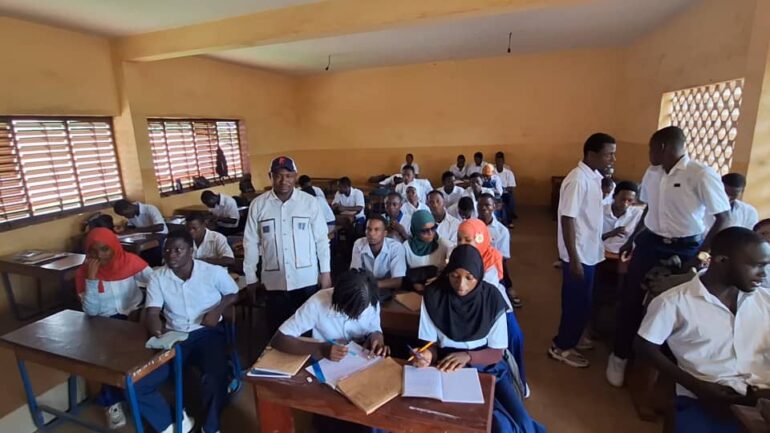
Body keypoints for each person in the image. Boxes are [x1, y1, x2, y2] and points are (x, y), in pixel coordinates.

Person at [607, 126, 731, 386]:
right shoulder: (652, 173)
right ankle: (620, 356)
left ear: (662, 147)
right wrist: (633, 239)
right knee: (631, 299)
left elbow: (723, 218)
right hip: (650, 243)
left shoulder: (700, 174)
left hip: (685, 248)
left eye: (651, 149)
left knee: (674, 305)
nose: (649, 154)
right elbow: (648, 209)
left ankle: (662, 368)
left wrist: (699, 255)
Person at [636, 227, 770, 433]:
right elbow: (645, 346)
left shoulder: (765, 300)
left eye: (765, 266)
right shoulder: (674, 302)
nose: (763, 274)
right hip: (706, 396)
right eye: (756, 266)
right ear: (722, 260)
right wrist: (694, 384)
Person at [415, 245, 545, 433]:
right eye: (455, 276)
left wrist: (468, 356)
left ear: (479, 275)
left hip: (488, 367)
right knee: (488, 422)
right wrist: (427, 355)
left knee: (520, 421)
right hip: (447, 368)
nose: (461, 285)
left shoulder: (492, 299)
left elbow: (496, 352)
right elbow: (431, 345)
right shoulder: (434, 296)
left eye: (469, 278)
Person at [139, 230, 239, 433]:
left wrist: (217, 310)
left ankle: (210, 428)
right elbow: (153, 311)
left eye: (178, 250)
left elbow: (233, 293)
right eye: (167, 250)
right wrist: (156, 330)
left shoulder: (212, 272)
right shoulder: (158, 277)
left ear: (191, 251)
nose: (172, 255)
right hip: (175, 336)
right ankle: (174, 424)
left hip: (207, 333)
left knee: (214, 376)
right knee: (140, 383)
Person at [273, 268, 390, 433]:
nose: (356, 318)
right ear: (337, 300)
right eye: (350, 312)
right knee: (337, 413)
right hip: (328, 366)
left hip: (361, 362)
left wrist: (377, 338)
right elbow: (279, 339)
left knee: (373, 407)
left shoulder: (371, 300)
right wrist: (321, 348)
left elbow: (374, 328)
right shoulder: (317, 303)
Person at [549, 132, 616, 368]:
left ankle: (574, 337)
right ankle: (561, 346)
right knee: (576, 302)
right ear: (591, 154)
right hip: (578, 254)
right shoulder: (578, 180)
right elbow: (568, 219)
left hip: (588, 251)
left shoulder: (594, 177)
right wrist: (574, 259)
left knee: (583, 301)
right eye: (608, 154)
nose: (612, 159)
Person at [243, 156, 332, 335]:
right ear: (270, 176)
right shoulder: (258, 205)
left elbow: (322, 240)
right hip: (274, 283)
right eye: (278, 176)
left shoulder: (309, 203)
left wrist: (325, 273)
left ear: (295, 176)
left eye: (288, 176)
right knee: (278, 334)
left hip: (306, 280)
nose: (283, 181)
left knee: (308, 332)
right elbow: (250, 243)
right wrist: (250, 278)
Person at [76, 228, 153, 429]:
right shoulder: (84, 273)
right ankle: (112, 402)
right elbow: (91, 311)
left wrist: (149, 309)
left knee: (137, 352)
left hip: (135, 317)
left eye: (105, 249)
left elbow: (156, 282)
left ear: (115, 248)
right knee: (110, 357)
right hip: (103, 322)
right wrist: (92, 279)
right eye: (93, 251)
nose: (99, 256)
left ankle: (137, 391)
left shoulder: (131, 262)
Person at [456, 219, 528, 395]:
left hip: (494, 305)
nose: (462, 244)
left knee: (515, 336)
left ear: (480, 239)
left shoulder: (492, 257)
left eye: (468, 240)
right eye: (459, 239)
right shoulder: (457, 254)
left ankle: (519, 381)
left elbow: (484, 290)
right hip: (467, 304)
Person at [477, 193, 517, 307]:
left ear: (494, 207)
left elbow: (502, 257)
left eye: (487, 205)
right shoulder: (472, 226)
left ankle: (507, 287)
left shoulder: (502, 231)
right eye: (480, 205)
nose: (483, 208)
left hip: (493, 266)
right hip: (474, 263)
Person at [350, 215, 407, 291]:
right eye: (368, 229)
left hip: (388, 290)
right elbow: (354, 273)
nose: (371, 233)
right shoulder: (359, 244)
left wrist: (371, 285)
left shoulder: (396, 247)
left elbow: (397, 281)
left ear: (385, 233)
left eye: (376, 230)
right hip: (364, 290)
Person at [403, 210, 451, 292]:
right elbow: (401, 275)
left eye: (433, 228)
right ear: (416, 230)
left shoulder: (443, 245)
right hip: (413, 292)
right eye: (425, 230)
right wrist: (412, 284)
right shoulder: (406, 247)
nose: (430, 233)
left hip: (438, 289)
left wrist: (439, 278)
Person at [113, 199, 168, 266]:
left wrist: (136, 230)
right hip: (144, 236)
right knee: (132, 246)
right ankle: (144, 265)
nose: (126, 217)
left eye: (125, 214)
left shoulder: (150, 208)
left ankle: (154, 265)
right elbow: (131, 227)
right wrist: (125, 230)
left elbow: (160, 227)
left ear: (129, 207)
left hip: (160, 235)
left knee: (141, 248)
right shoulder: (131, 214)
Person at [602, 181, 643, 255]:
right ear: (614, 196)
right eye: (622, 199)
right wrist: (610, 233)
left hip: (625, 255)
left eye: (630, 200)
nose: (625, 204)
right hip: (601, 253)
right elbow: (590, 238)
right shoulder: (600, 212)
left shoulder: (637, 214)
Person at [495, 152, 518, 224]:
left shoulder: (509, 173)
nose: (499, 163)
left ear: (503, 162)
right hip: (494, 193)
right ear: (495, 162)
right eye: (497, 161)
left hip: (505, 193)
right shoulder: (492, 172)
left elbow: (511, 187)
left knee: (510, 199)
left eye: (500, 161)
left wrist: (502, 189)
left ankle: (509, 220)